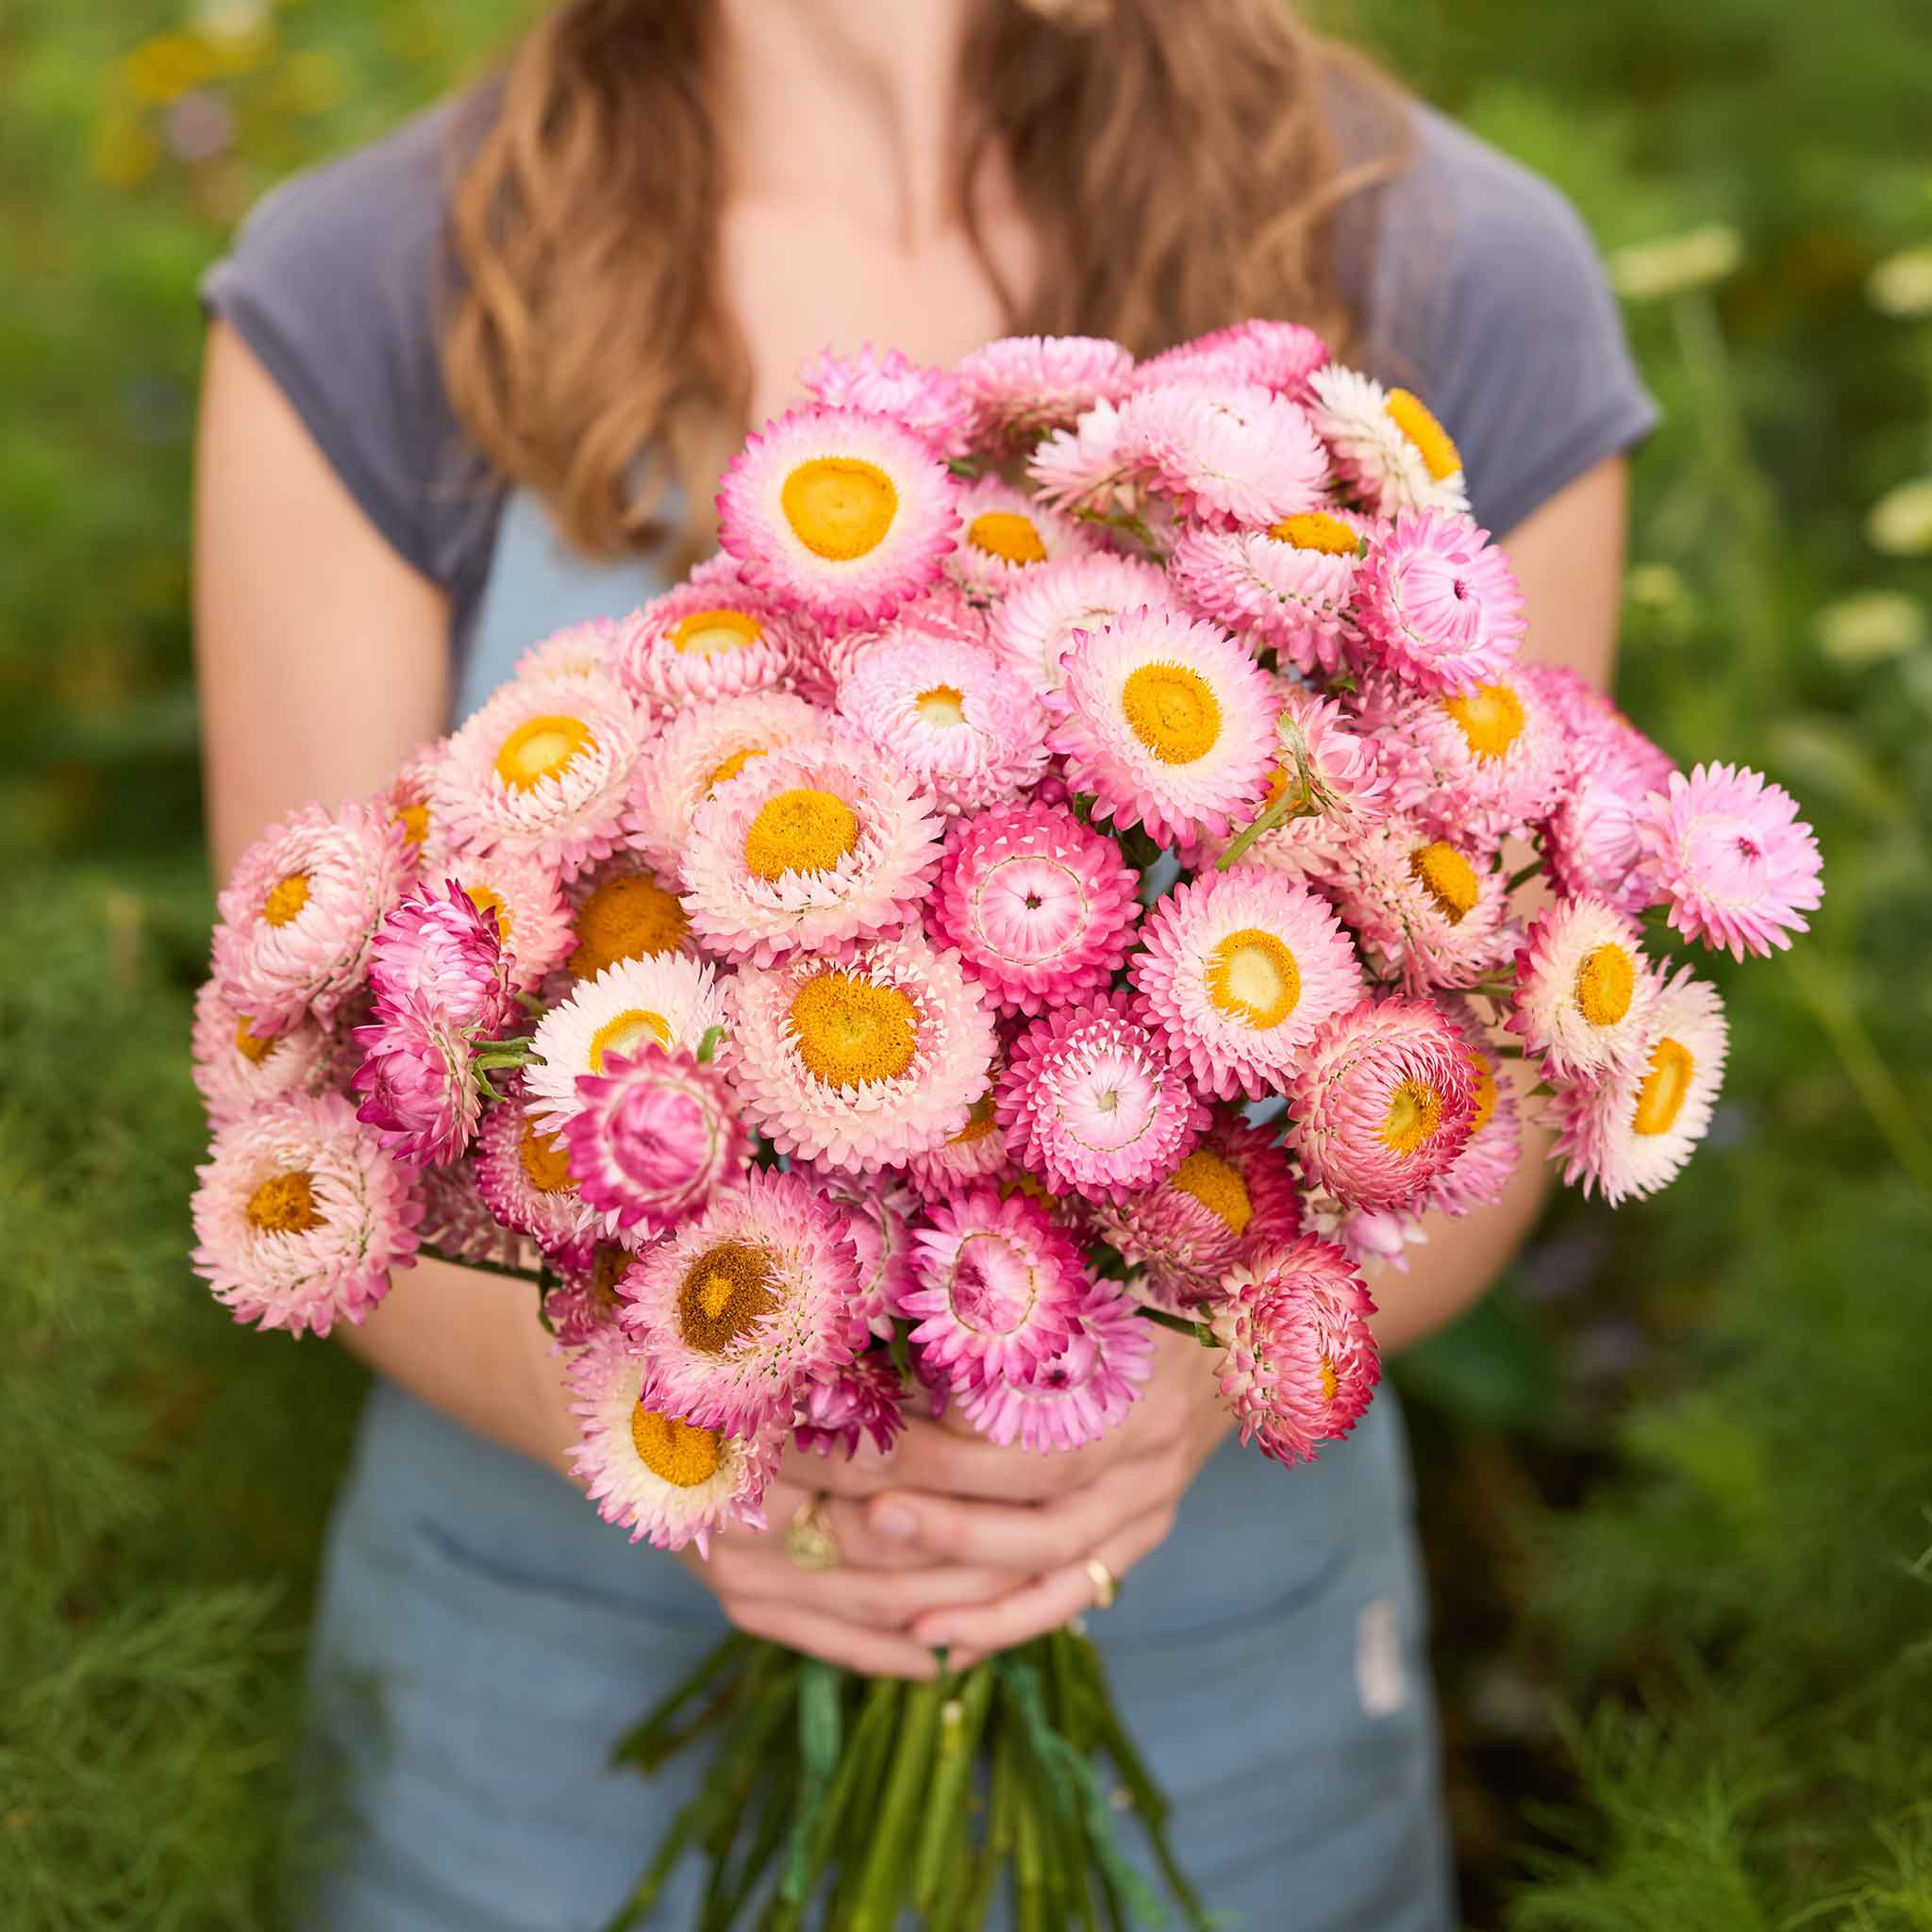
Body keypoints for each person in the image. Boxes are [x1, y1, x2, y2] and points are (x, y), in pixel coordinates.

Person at [193, 2, 1656, 1924]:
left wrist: (1208, 1365)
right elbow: (303, 1095)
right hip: (536, 1780)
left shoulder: (1453, 265)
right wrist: (687, 1419)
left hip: (1230, 1766)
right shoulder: (371, 288)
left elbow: (1507, 1053)